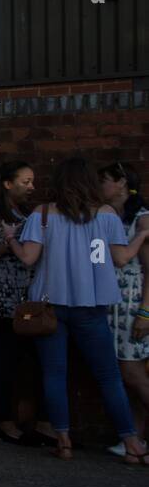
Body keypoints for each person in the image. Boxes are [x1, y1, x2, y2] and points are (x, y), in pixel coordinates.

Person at [10, 157, 149, 462]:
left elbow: (29, 259)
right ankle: (132, 444)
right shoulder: (108, 216)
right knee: (109, 377)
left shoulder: (42, 214)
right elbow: (122, 258)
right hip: (91, 308)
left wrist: (10, 239)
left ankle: (63, 442)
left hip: (49, 308)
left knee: (55, 374)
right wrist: (141, 234)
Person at [0, 161, 54, 446]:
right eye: (25, 181)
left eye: (32, 181)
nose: (32, 187)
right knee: (5, 362)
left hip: (26, 300)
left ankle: (38, 422)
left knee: (38, 361)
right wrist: (10, 245)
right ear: (7, 183)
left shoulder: (26, 212)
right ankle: (5, 422)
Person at [97, 161, 149, 455]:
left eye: (105, 179)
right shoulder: (109, 216)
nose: (100, 185)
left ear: (121, 183)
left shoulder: (142, 220)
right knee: (126, 375)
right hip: (112, 304)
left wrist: (146, 311)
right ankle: (136, 440)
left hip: (132, 305)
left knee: (133, 373)